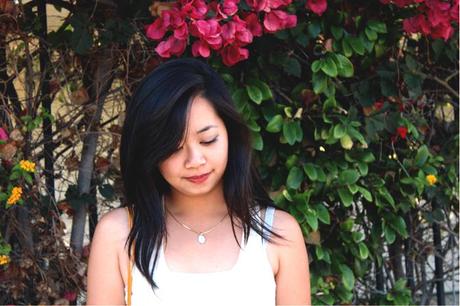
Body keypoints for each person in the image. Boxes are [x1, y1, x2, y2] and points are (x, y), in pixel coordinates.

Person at [86, 58, 310, 305]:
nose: (194, 160)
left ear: (230, 135)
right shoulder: (118, 234)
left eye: (208, 140)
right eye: (173, 148)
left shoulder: (278, 233)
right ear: (150, 152)